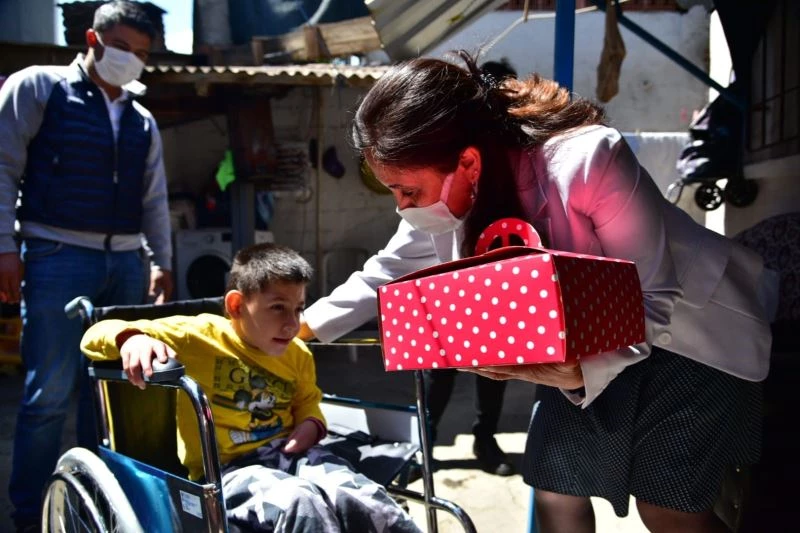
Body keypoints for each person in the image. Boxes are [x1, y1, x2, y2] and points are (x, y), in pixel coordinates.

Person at [299, 50, 776, 533]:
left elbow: (652, 293)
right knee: (555, 491)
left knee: (667, 509)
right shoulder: (447, 194)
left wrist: (577, 371)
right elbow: (386, 271)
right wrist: (298, 328)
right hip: (586, 348)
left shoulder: (588, 159)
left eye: (407, 192)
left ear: (468, 162)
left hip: (688, 335)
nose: (403, 207)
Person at [81, 243, 421, 533]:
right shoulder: (198, 336)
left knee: (363, 497)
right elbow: (95, 334)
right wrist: (132, 338)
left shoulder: (297, 353)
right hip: (227, 470)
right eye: (278, 308)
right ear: (236, 306)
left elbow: (308, 401)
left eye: (298, 309)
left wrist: (310, 424)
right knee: (300, 502)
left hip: (292, 453)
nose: (292, 324)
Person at [0, 2, 173, 529]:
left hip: (125, 263)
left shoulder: (141, 119)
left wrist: (161, 261)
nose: (130, 59)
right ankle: (30, 513)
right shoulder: (39, 87)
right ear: (93, 40)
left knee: (109, 397)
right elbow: (2, 167)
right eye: (121, 47)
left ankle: (94, 508)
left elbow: (154, 199)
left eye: (141, 53)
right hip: (56, 256)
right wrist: (4, 247)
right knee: (48, 394)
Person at [414, 57, 522, 477]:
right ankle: (425, 445)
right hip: (448, 288)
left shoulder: (515, 155)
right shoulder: (447, 154)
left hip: (498, 286)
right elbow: (404, 247)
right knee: (437, 371)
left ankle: (484, 440)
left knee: (494, 371)